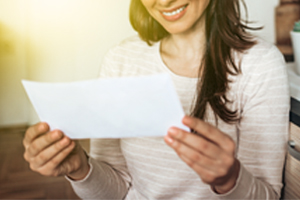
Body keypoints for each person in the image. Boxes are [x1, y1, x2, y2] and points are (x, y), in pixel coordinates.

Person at [23, 0, 290, 199]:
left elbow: (267, 194)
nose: (163, 2)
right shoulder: (121, 60)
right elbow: (114, 192)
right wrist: (80, 167)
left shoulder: (261, 65)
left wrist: (231, 180)